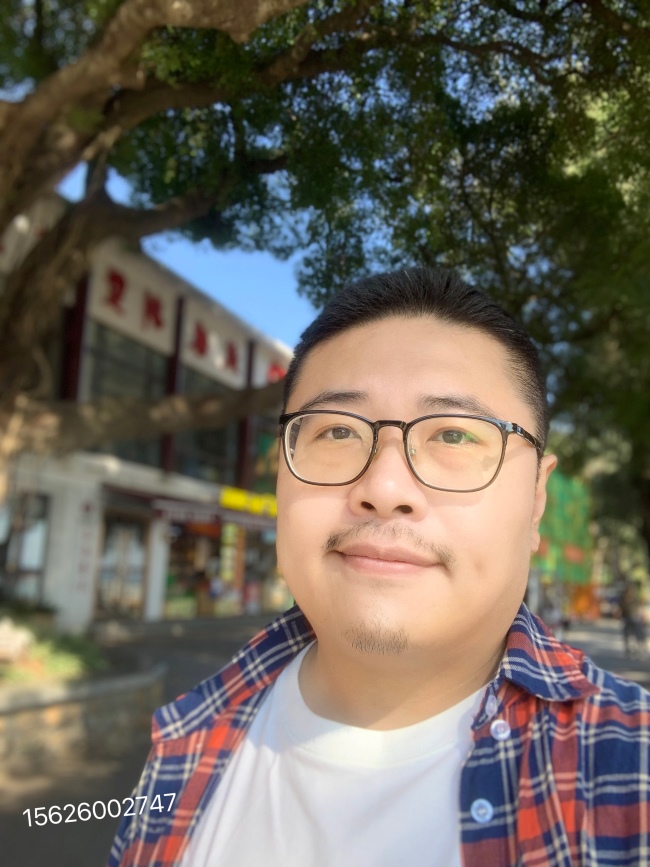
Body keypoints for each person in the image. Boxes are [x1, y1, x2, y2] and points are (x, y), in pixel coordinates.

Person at [107, 269, 650, 867]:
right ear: (281, 471)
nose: (385, 488)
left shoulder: (630, 772)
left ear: (537, 499)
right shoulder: (182, 742)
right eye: (338, 430)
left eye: (454, 436)